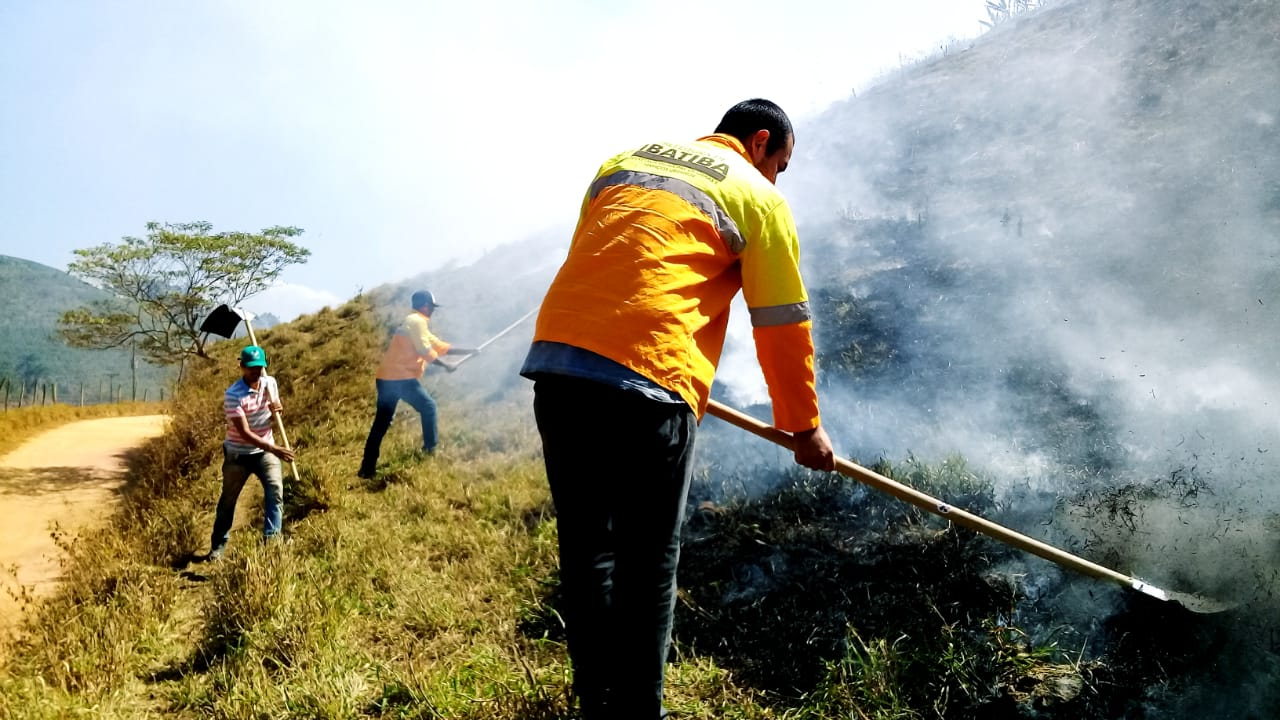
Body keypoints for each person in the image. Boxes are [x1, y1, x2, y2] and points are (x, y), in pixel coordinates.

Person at [520, 98, 836, 720]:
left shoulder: (624, 160)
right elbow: (780, 324)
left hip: (559, 368)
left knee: (588, 551)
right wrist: (803, 428)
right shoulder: (758, 195)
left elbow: (616, 261)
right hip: (650, 381)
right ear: (762, 141)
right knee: (650, 561)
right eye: (783, 163)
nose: (779, 177)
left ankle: (597, 704)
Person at [358, 290, 476, 479]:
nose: (433, 311)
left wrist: (470, 351)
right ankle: (430, 450)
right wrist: (446, 365)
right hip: (400, 378)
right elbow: (425, 350)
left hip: (387, 377)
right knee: (428, 407)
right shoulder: (417, 322)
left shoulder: (414, 323)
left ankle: (367, 468)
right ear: (425, 306)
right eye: (431, 307)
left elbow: (440, 346)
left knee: (381, 423)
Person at [209, 345, 295, 560]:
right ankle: (218, 547)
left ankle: (272, 542)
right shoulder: (233, 395)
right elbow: (245, 433)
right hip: (238, 454)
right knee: (228, 500)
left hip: (264, 450)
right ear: (241, 366)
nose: (255, 372)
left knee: (275, 491)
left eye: (259, 367)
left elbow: (276, 411)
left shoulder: (270, 383)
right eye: (250, 368)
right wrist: (275, 449)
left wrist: (278, 408)